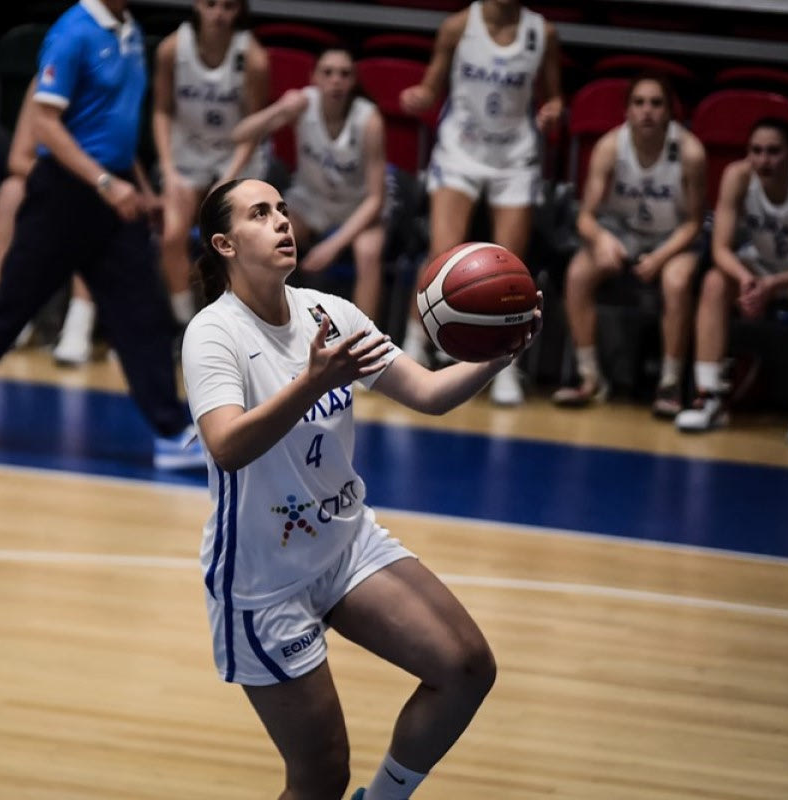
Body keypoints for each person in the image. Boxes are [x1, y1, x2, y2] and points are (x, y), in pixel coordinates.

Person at [182, 178, 540, 799]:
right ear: (225, 244)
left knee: (466, 667)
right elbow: (226, 446)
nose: (281, 221)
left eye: (283, 210)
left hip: (345, 546)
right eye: (260, 214)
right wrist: (311, 384)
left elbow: (427, 393)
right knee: (321, 776)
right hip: (263, 578)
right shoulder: (214, 334)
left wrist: (498, 355)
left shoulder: (330, 314)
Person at [0, 0, 204, 471]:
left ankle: (172, 432)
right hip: (65, 195)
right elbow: (46, 125)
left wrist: (140, 188)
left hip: (113, 193)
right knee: (12, 305)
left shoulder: (130, 32)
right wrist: (106, 183)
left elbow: (113, 125)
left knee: (141, 313)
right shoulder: (72, 34)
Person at [399, 0, 562, 405]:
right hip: (461, 149)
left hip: (515, 156)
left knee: (511, 270)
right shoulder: (457, 26)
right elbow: (432, 87)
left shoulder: (542, 33)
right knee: (441, 255)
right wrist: (420, 96)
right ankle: (414, 344)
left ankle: (506, 364)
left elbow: (553, 97)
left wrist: (553, 111)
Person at [676, 117, 788, 446]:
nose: (763, 160)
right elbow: (720, 248)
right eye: (756, 151)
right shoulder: (737, 176)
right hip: (761, 264)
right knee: (714, 283)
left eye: (773, 151)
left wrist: (773, 285)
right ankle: (707, 397)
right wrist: (746, 280)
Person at [552, 74, 706, 417]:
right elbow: (585, 217)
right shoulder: (610, 147)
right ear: (627, 110)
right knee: (578, 275)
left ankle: (670, 384)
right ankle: (590, 377)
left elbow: (695, 222)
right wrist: (602, 239)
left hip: (673, 235)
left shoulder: (690, 152)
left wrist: (660, 257)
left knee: (677, 281)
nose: (647, 111)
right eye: (639, 103)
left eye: (656, 103)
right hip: (621, 231)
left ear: (670, 112)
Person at [232, 46, 388, 322]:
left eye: (344, 74)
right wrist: (281, 108)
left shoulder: (369, 120)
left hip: (357, 205)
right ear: (314, 77)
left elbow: (376, 199)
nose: (336, 80)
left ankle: (365, 340)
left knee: (368, 252)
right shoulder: (303, 104)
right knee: (267, 237)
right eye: (328, 73)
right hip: (310, 200)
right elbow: (239, 134)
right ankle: (261, 321)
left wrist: (332, 245)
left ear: (353, 81)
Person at [153, 0, 269, 327]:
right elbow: (161, 110)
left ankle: (237, 324)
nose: (218, 14)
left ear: (239, 11)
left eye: (228, 6)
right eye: (211, 4)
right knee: (172, 235)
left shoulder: (254, 59)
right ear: (196, 5)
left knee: (237, 241)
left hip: (235, 158)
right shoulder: (171, 49)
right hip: (187, 153)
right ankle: (184, 323)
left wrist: (227, 179)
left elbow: (254, 128)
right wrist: (168, 170)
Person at [0, 77, 98, 364]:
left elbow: (111, 162)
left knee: (88, 204)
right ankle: (1, 306)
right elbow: (18, 158)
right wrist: (57, 181)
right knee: (10, 192)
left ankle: (79, 322)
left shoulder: (109, 84)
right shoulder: (43, 83)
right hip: (49, 181)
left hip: (95, 186)